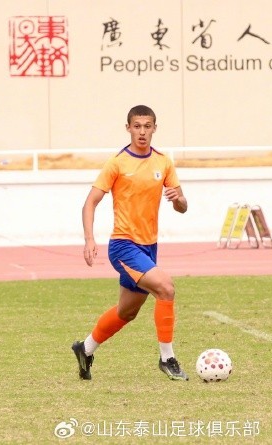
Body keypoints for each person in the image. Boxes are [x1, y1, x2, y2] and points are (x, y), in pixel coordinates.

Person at [72, 105, 189, 381]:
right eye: (137, 126)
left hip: (149, 247)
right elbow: (90, 202)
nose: (142, 132)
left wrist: (179, 199)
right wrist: (89, 239)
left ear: (155, 128)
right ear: (128, 128)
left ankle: (85, 348)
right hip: (123, 246)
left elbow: (182, 206)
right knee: (166, 288)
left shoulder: (163, 162)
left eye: (147, 126)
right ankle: (167, 358)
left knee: (127, 312)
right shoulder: (117, 163)